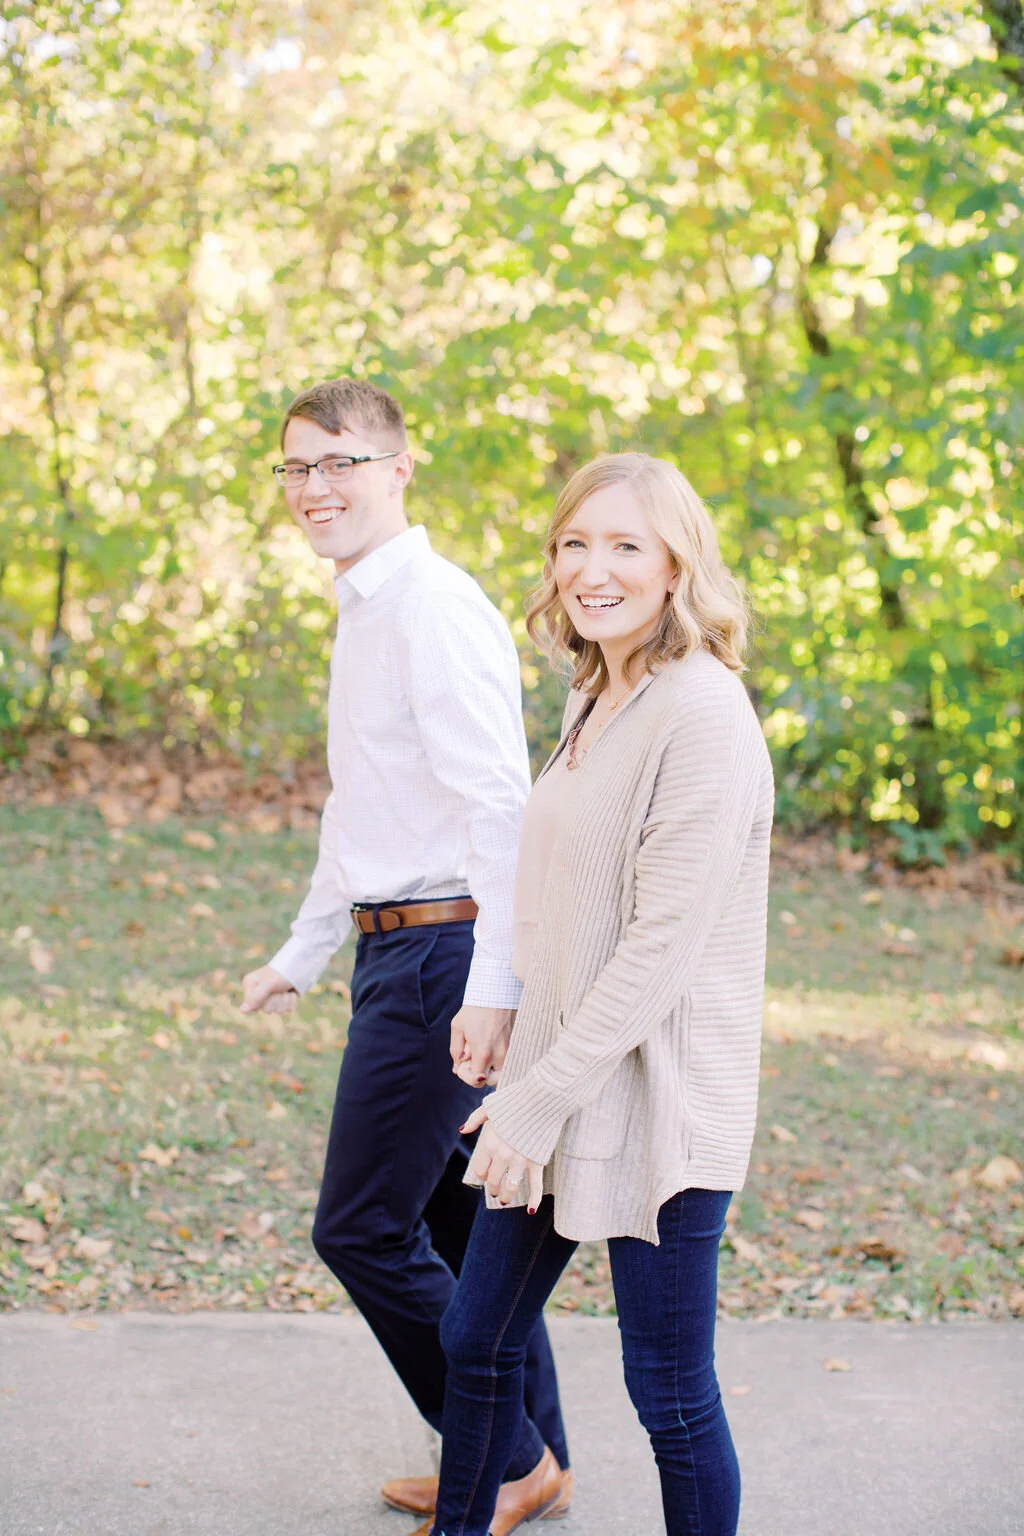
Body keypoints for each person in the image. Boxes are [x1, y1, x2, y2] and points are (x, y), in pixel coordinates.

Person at [239, 378, 571, 1530]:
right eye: (297, 467)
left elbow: (498, 809)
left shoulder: (429, 607)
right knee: (452, 1224)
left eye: (339, 462)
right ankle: (531, 1457)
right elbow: (362, 806)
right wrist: (303, 951)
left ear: (398, 467)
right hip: (401, 947)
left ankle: (507, 1456)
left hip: (444, 954)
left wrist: (495, 988)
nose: (314, 487)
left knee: (362, 1228)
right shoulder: (368, 606)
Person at [422, 452, 774, 1536]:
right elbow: (561, 889)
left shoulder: (702, 712)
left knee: (667, 1392)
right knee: (476, 1337)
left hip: (659, 1099)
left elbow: (660, 949)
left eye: (624, 545)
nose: (592, 569)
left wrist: (532, 1102)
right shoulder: (597, 690)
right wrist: (503, 1003)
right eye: (574, 543)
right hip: (564, 1076)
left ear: (676, 565)